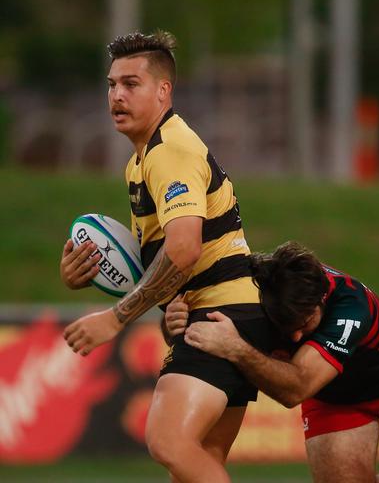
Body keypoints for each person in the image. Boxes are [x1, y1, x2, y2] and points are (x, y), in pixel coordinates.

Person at [59, 31, 274, 482]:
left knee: (168, 441)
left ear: (163, 91)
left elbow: (183, 247)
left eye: (131, 84)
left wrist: (115, 318)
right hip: (230, 312)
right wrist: (90, 269)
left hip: (221, 314)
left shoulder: (169, 152)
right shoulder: (141, 160)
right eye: (112, 84)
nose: (117, 95)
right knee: (199, 462)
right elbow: (163, 256)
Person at [165, 241, 379, 483]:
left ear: (322, 300)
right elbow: (198, 333)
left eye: (305, 325)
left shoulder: (350, 305)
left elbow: (295, 389)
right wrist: (176, 322)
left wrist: (238, 349)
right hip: (333, 393)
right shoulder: (262, 291)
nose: (297, 338)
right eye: (289, 328)